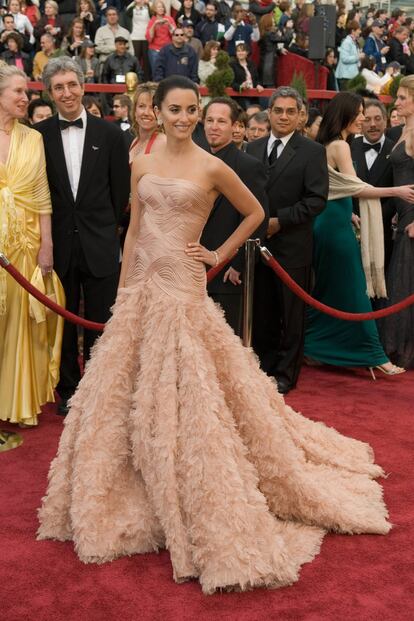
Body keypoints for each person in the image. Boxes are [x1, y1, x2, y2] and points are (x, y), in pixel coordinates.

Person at [38, 75, 391, 595]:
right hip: (140, 287)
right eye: (174, 110)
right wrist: (126, 283)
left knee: (190, 386)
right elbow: (134, 226)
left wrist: (218, 253)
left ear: (199, 113)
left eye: (191, 110)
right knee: (122, 389)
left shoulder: (212, 164)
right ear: (155, 111)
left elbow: (255, 213)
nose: (183, 118)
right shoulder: (142, 162)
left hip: (182, 286)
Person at [35, 57, 130, 416]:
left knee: (100, 322)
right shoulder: (38, 136)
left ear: (83, 84)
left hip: (100, 242)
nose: (67, 92)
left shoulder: (111, 135)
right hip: (57, 245)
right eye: (59, 87)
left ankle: (98, 389)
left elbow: (119, 193)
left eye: (71, 84)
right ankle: (68, 390)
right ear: (50, 93)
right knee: (62, 318)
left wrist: (105, 230)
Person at [304, 92, 411, 377]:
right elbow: (356, 188)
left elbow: (332, 190)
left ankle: (313, 346)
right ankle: (374, 355)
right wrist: (396, 191)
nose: (363, 118)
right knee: (355, 292)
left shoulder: (331, 143)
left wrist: (348, 213)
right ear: (347, 114)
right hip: (334, 229)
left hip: (333, 221)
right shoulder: (340, 145)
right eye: (360, 112)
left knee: (330, 291)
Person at [247, 86, 328, 394]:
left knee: (292, 317)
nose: (283, 116)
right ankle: (262, 368)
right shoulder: (252, 149)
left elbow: (316, 200)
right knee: (262, 312)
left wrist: (280, 221)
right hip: (256, 247)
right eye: (278, 111)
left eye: (290, 111)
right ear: (269, 113)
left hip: (292, 247)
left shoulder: (313, 151)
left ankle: (286, 374)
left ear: (300, 116)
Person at [0, 64, 64, 427]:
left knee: (19, 324)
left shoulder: (32, 138)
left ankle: (14, 402)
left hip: (25, 244)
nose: (26, 98)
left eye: (26, 92)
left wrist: (47, 246)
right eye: (18, 92)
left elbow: (42, 195)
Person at [200, 95, 268, 334]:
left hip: (227, 270)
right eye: (209, 120)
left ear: (235, 126)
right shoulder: (195, 160)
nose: (214, 126)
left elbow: (259, 219)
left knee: (224, 340)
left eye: (221, 121)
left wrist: (238, 265)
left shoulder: (248, 165)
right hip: (193, 265)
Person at [379, 75, 414, 368]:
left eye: (403, 97)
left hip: (413, 219)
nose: (397, 102)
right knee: (402, 280)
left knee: (407, 282)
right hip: (402, 217)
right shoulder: (401, 131)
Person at [351, 99, 395, 272]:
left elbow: (399, 190)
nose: (373, 125)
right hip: (353, 228)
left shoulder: (396, 151)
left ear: (386, 120)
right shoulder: (348, 147)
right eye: (367, 120)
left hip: (383, 231)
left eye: (378, 119)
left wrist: (375, 218)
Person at [128, 80, 166, 163]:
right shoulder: (135, 141)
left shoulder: (162, 143)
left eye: (152, 108)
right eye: (141, 106)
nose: (146, 113)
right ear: (135, 111)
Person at [145, 0, 176, 78]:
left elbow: (174, 33)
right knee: (156, 73)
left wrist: (169, 24)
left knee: (169, 72)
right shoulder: (152, 20)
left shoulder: (169, 19)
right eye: (159, 7)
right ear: (155, 9)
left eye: (162, 7)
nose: (161, 8)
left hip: (168, 50)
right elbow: (149, 38)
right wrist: (155, 24)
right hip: (155, 50)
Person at [230, 42, 264, 110]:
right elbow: (231, 83)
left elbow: (256, 79)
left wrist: (258, 85)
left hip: (253, 96)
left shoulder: (252, 64)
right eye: (238, 51)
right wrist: (240, 87)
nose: (240, 53)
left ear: (247, 53)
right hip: (240, 96)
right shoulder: (232, 65)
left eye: (242, 50)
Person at [123, 0, 151, 81]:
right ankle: (133, 81)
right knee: (135, 61)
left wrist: (147, 2)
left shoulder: (148, 7)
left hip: (146, 37)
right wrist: (135, 2)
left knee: (146, 63)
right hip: (135, 37)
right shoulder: (133, 8)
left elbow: (154, 10)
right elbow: (127, 11)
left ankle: (147, 81)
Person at [335, 20, 364, 91]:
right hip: (346, 77)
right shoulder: (346, 42)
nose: (360, 31)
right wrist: (358, 56)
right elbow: (344, 58)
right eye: (358, 30)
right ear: (353, 31)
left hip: (351, 76)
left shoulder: (354, 42)